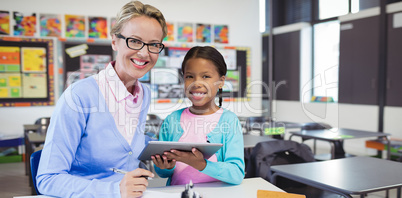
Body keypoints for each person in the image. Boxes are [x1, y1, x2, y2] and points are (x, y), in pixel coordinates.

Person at [36, 1, 167, 197]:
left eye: (154, 44)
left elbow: (126, 143)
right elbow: (48, 179)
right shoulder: (79, 96)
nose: (144, 52)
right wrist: (114, 190)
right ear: (115, 41)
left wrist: (163, 150)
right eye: (135, 41)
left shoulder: (143, 93)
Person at [152, 46, 245, 186]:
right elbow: (163, 173)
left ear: (221, 82)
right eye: (189, 76)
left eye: (206, 76)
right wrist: (166, 166)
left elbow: (236, 174)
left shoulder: (229, 121)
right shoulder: (172, 120)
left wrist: (201, 164)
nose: (196, 83)